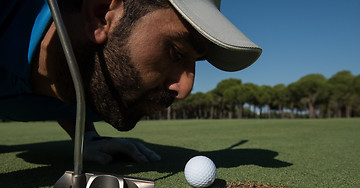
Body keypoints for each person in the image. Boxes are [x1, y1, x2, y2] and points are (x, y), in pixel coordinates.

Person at [0, 0, 262, 164]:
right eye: (176, 52)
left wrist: (86, 137)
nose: (185, 90)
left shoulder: (104, 84)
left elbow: (75, 79)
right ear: (102, 14)